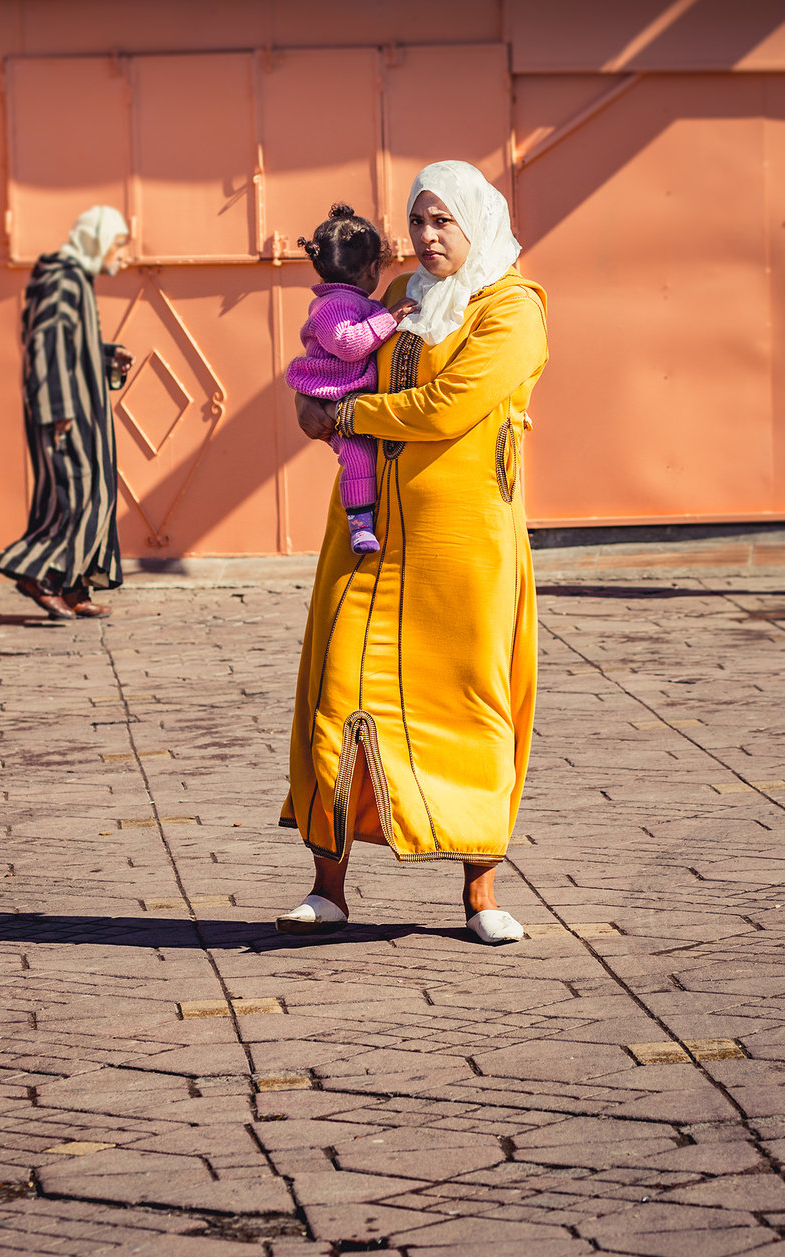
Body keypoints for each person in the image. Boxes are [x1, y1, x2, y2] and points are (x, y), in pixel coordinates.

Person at [276, 161, 548, 945]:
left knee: (470, 702)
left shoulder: (512, 310)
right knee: (337, 689)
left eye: (443, 223)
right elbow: (330, 372)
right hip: (367, 534)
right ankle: (328, 887)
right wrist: (313, 397)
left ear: (475, 224)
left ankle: (480, 894)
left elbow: (449, 405)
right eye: (418, 222)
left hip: (462, 549)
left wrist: (352, 411)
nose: (427, 238)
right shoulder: (397, 302)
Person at [0, 206, 133, 619]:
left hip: (84, 410)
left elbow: (72, 345)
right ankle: (38, 574)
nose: (122, 255)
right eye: (117, 244)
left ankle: (75, 585)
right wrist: (57, 409)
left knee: (98, 493)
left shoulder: (77, 280)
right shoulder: (61, 280)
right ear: (96, 239)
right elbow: (46, 344)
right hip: (66, 411)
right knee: (73, 492)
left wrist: (106, 356)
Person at [285, 205, 417, 554]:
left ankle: (366, 520)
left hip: (350, 401)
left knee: (365, 458)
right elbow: (347, 344)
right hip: (336, 395)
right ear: (373, 268)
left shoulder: (352, 301)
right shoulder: (335, 305)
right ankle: (360, 524)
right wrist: (389, 318)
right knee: (357, 458)